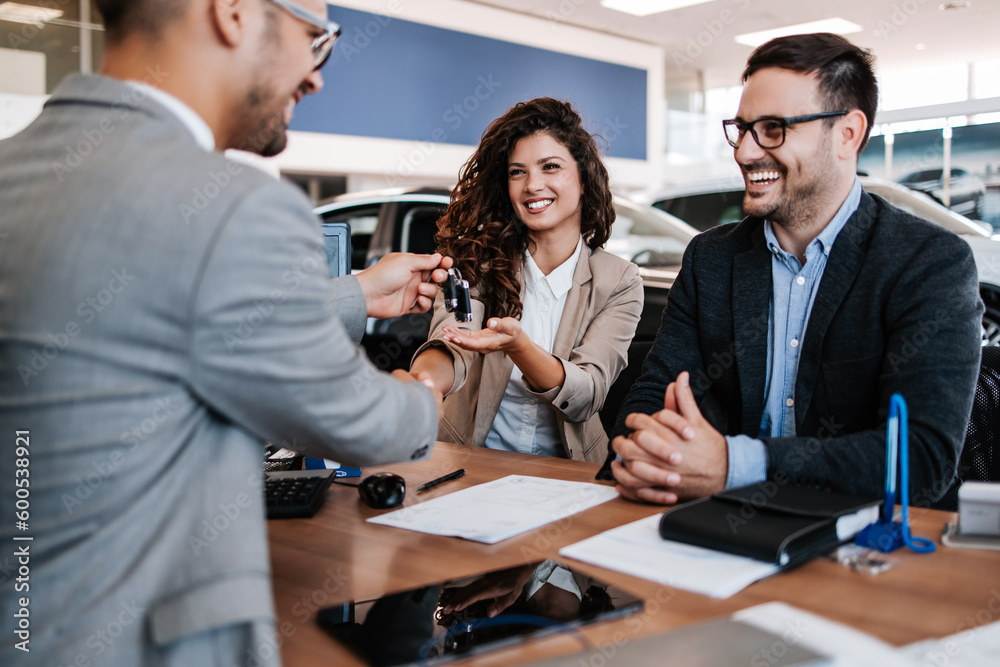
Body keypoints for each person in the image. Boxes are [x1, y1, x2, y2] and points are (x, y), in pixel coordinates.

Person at [0, 1, 450, 665]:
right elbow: (367, 425)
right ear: (234, 12)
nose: (316, 76)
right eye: (316, 40)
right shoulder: (235, 205)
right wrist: (433, 381)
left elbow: (150, 313)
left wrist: (358, 293)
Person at [608, 33, 983, 506]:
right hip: (715, 527)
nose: (745, 152)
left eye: (773, 129)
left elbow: (920, 460)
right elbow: (652, 398)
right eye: (741, 128)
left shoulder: (927, 261)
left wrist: (733, 466)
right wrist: (643, 455)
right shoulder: (711, 257)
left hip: (862, 542)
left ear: (847, 133)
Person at [410, 98, 644, 464]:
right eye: (517, 172)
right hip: (472, 465)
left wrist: (520, 347)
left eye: (550, 166)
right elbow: (452, 340)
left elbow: (586, 396)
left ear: (584, 178)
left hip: (571, 474)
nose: (532, 185)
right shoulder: (481, 262)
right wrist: (423, 386)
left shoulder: (619, 281)